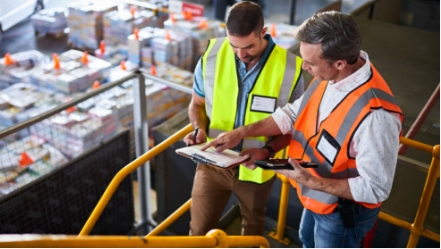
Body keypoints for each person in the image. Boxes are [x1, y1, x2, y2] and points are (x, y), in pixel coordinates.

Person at [202, 11, 404, 247]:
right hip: (315, 197)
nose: (304, 66)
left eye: (310, 62)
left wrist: (311, 181)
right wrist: (244, 135)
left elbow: (375, 188)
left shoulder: (376, 118)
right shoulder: (331, 74)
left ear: (339, 63)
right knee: (306, 240)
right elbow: (293, 114)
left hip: (341, 214)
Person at [183, 1, 304, 236]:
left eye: (248, 47)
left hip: (256, 168)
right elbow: (197, 104)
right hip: (212, 164)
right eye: (234, 46)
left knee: (252, 234)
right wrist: (199, 128)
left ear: (263, 32)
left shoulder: (291, 69)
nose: (240, 54)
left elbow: (294, 127)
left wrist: (267, 152)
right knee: (198, 233)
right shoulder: (211, 56)